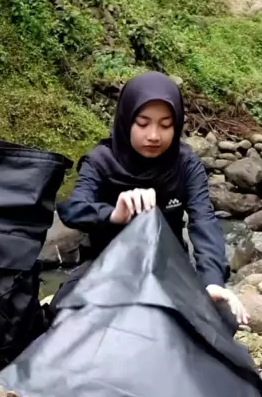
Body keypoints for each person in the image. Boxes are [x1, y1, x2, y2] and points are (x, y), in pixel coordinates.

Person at [53, 71, 247, 334]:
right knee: (61, 316)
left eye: (165, 125)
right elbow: (73, 209)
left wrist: (212, 280)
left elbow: (204, 221)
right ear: (126, 120)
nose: (154, 135)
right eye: (143, 124)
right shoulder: (100, 161)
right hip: (105, 267)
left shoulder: (186, 164)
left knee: (222, 316)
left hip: (167, 269)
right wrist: (113, 214)